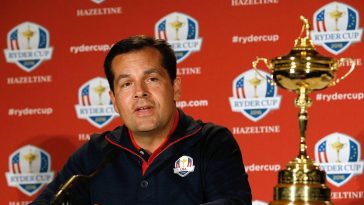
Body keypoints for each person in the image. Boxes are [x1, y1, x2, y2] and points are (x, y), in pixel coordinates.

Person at [31, 35, 252, 205]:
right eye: (126, 84)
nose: (140, 92)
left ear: (175, 88)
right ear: (114, 100)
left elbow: (233, 202)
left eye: (152, 79)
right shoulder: (95, 154)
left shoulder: (211, 142)